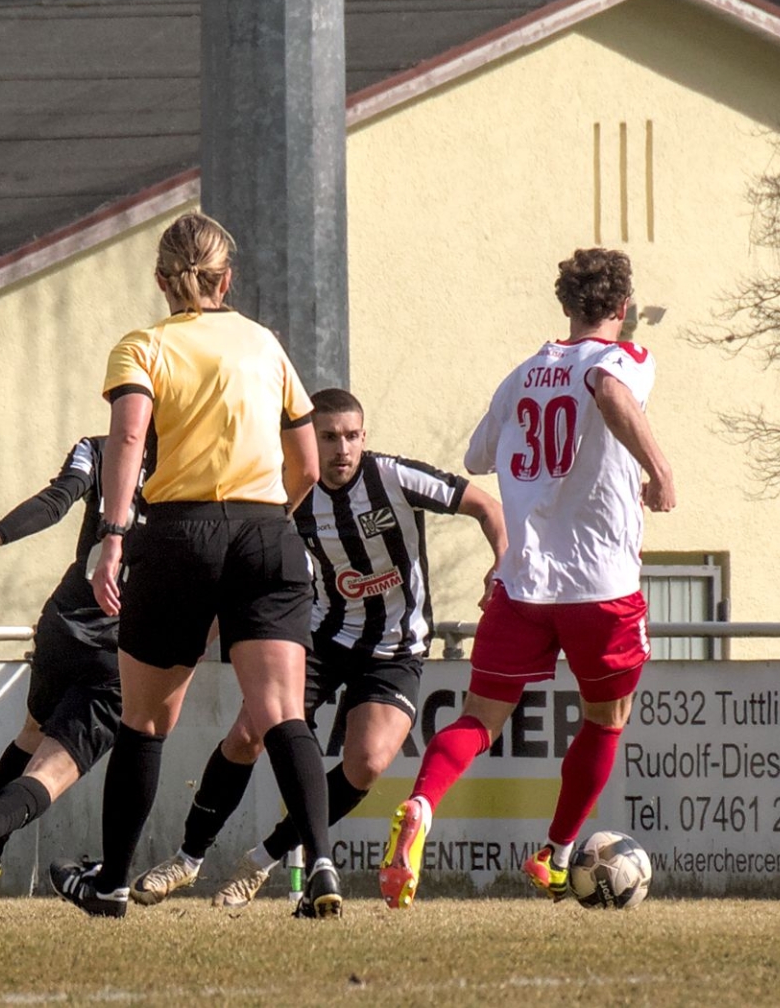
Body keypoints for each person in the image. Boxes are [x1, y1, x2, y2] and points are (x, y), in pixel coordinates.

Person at [46, 211, 341, 919]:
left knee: (145, 721)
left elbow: (128, 438)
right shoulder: (264, 343)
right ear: (225, 279)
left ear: (161, 280)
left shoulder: (143, 345)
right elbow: (307, 465)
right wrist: (264, 518)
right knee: (282, 712)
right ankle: (323, 867)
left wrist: (113, 536)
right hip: (267, 532)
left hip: (179, 535)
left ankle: (112, 884)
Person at [129, 387, 506, 909]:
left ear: (364, 437)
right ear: (309, 440)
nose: (341, 449)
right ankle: (188, 858)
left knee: (367, 764)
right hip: (320, 638)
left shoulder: (393, 477)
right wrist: (194, 640)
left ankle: (263, 859)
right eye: (328, 437)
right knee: (246, 735)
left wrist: (501, 565)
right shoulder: (288, 491)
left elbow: (487, 507)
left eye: (351, 436)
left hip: (395, 648)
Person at [378, 248, 676, 908]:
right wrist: (659, 470)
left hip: (523, 584)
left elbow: (476, 456)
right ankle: (557, 855)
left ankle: (422, 804)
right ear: (622, 308)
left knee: (479, 717)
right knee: (607, 718)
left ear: (566, 305)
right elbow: (608, 390)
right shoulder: (625, 358)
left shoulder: (522, 374)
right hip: (600, 584)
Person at [0, 434, 154, 905]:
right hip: (119, 647)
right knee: (51, 770)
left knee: (32, 734)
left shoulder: (98, 447)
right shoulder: (194, 465)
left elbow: (54, 501)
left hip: (63, 624)